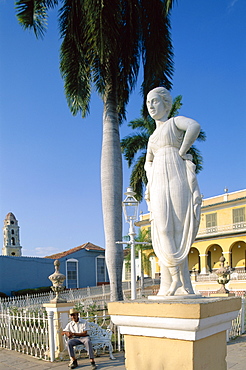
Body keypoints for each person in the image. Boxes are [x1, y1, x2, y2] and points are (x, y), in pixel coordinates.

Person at [144, 87, 202, 296]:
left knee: (179, 225)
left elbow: (194, 126)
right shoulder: (152, 138)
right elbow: (146, 162)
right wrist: (151, 174)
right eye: (148, 103)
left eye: (155, 101)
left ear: (165, 104)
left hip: (177, 176)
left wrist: (182, 150)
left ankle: (182, 283)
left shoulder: (174, 123)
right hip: (159, 180)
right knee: (163, 228)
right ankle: (175, 280)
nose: (151, 106)